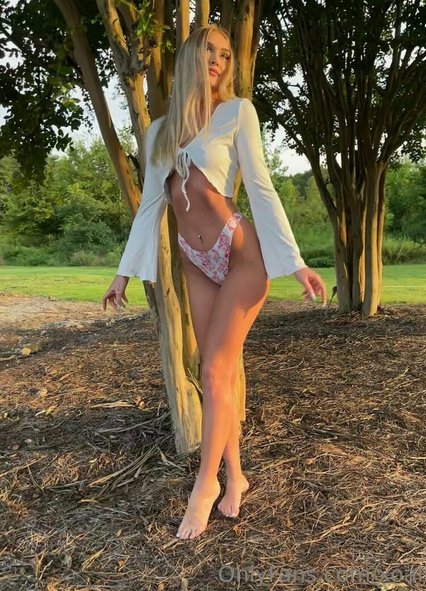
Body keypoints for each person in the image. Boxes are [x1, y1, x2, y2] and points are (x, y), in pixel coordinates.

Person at [102, 24, 326, 540]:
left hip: (240, 252)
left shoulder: (237, 112)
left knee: (214, 367)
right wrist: (122, 273)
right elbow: (151, 207)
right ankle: (236, 476)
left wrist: (294, 262)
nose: (219, 61)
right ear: (189, 57)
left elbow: (262, 187)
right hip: (194, 260)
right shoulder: (160, 133)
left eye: (225, 54)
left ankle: (205, 486)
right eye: (209, 50)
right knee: (217, 375)